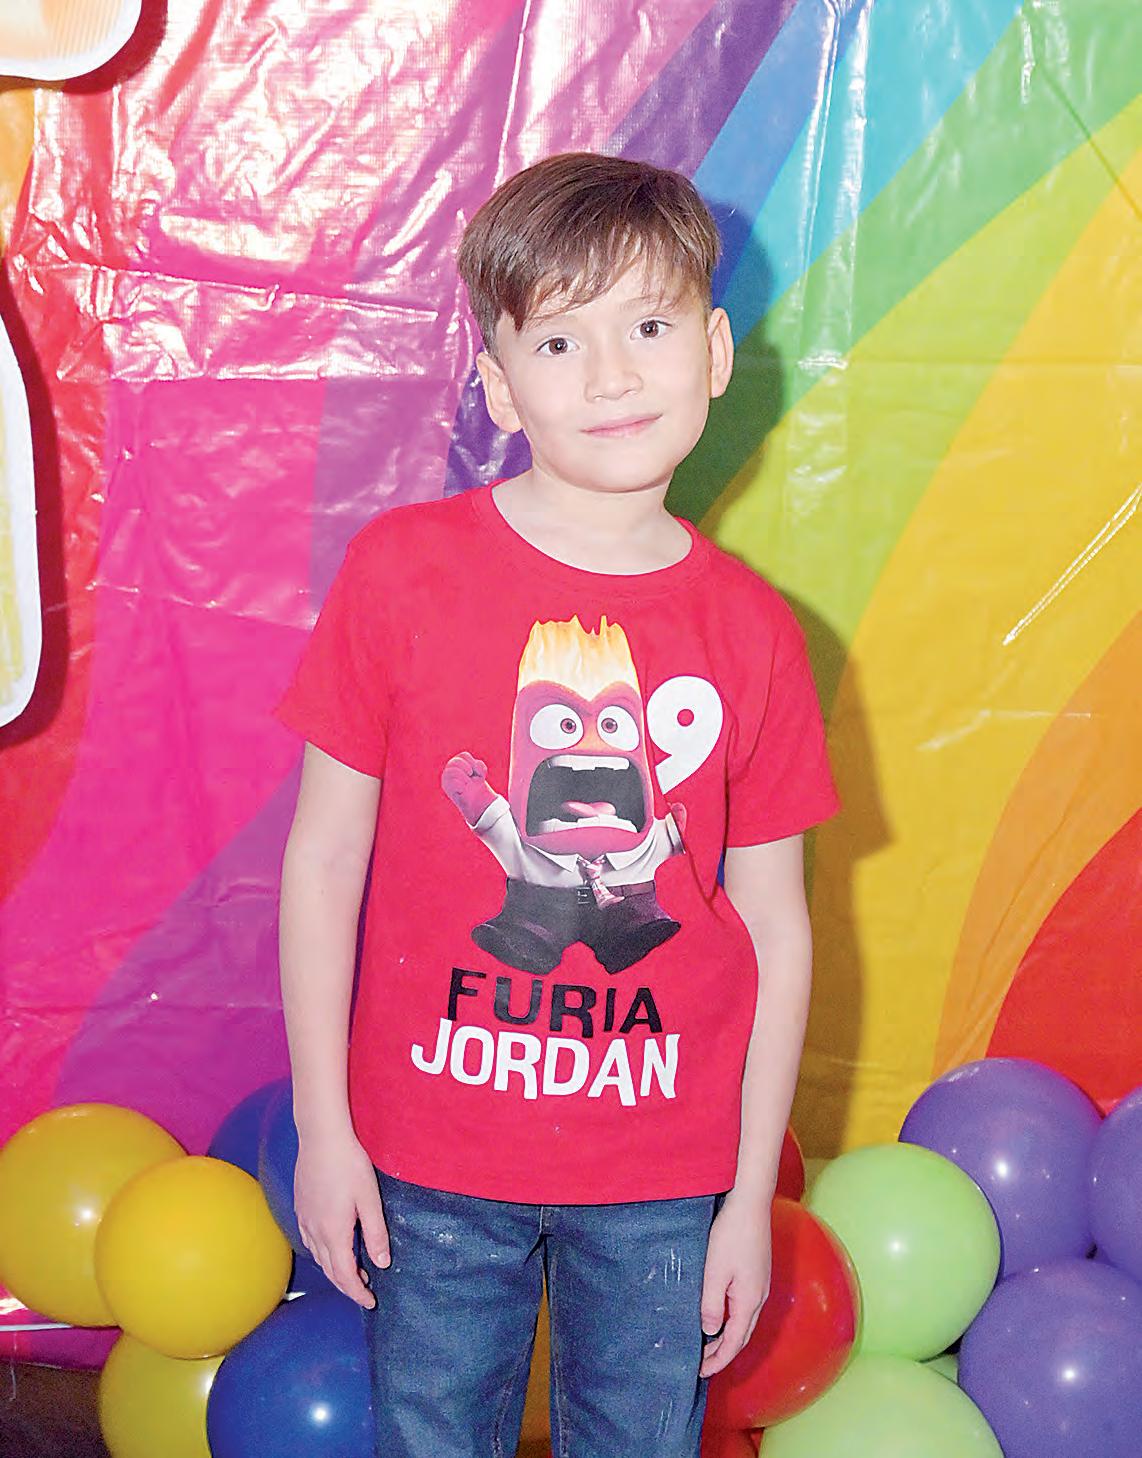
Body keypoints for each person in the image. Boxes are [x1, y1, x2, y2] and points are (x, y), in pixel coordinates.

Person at [276, 152, 839, 1458]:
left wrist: (747, 1192)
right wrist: (323, 1125)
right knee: (430, 1431)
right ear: (498, 382)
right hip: (430, 1148)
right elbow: (323, 859)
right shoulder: (402, 575)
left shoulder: (754, 632)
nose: (609, 376)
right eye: (558, 340)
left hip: (663, 1170)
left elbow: (775, 921)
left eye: (647, 327)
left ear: (714, 352)